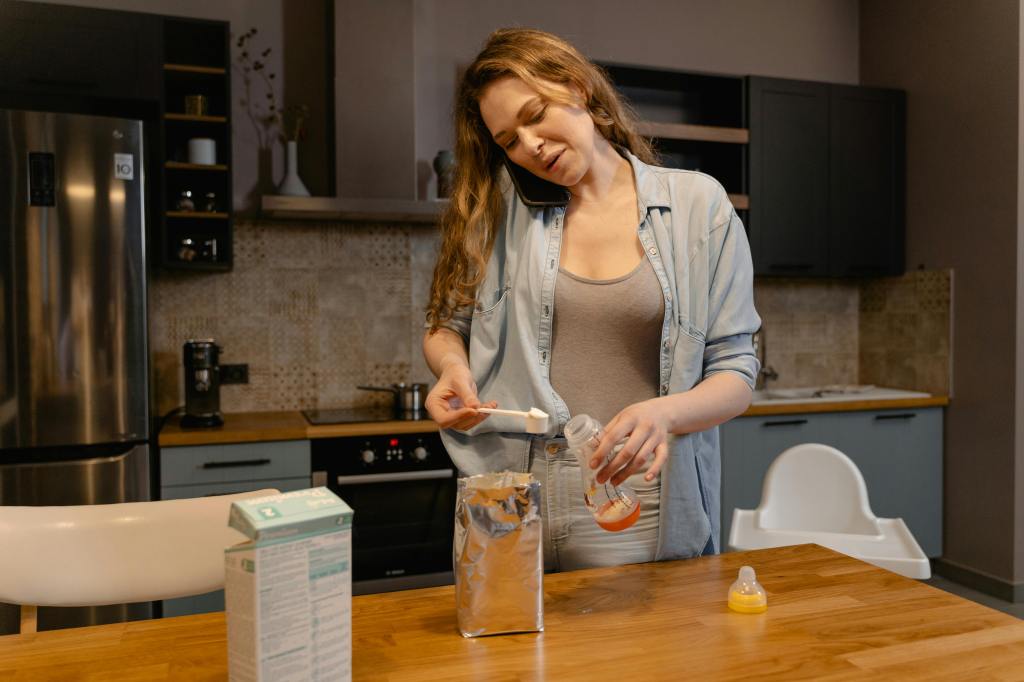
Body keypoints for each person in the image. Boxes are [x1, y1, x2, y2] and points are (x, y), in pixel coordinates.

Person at [423, 28, 760, 571]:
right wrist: (451, 368)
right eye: (508, 140)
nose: (528, 145)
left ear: (577, 88)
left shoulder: (700, 206)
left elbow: (737, 374)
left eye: (535, 114)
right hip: (510, 492)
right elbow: (446, 324)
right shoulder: (493, 213)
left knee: (643, 654)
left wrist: (664, 414)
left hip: (636, 491)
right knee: (504, 653)